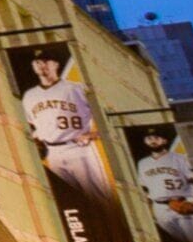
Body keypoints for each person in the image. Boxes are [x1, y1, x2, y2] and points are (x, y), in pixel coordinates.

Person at [19, 52, 119, 212]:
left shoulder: (76, 88)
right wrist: (36, 139)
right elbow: (34, 126)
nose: (42, 65)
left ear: (56, 64)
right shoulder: (30, 95)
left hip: (79, 149)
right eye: (37, 62)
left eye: (46, 60)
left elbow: (108, 122)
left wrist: (90, 135)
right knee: (69, 202)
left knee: (99, 199)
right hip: (52, 153)